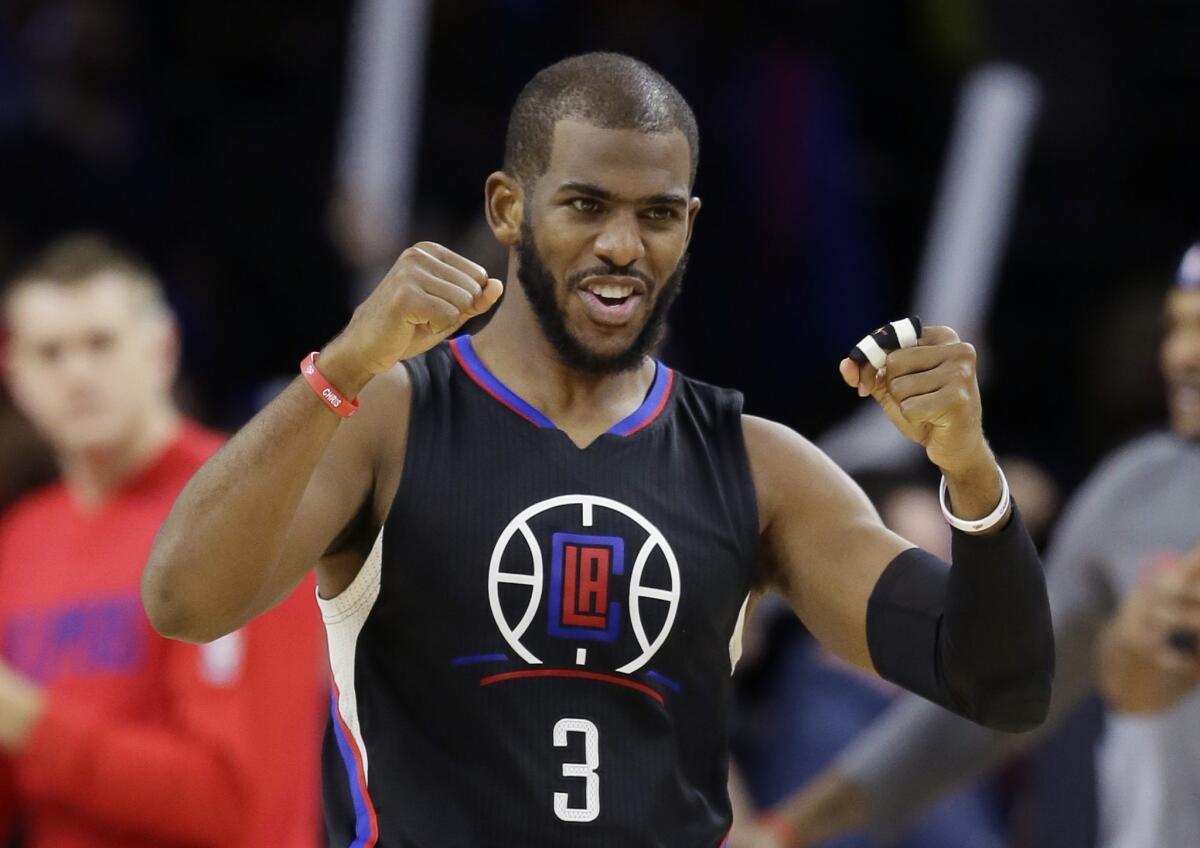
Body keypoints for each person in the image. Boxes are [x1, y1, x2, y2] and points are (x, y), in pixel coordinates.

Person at [142, 53, 1053, 847]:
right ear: (508, 207)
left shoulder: (756, 463)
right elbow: (184, 601)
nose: (622, 244)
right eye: (586, 205)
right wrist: (338, 366)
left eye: (657, 214)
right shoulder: (386, 418)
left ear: (689, 225)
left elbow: (1004, 684)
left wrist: (970, 475)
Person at [760, 242, 1200, 848]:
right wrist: (790, 828)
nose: (1182, 355)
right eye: (1176, 325)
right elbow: (996, 693)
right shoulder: (1136, 491)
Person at [0, 234, 326, 847]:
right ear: (13, 372)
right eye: (49, 352)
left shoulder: (244, 512)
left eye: (100, 343)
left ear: (162, 347)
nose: (77, 373)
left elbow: (240, 803)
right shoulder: (21, 539)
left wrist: (29, 723)